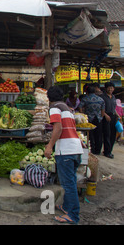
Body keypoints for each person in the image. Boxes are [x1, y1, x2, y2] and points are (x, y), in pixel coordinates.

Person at [45, 86, 84, 224]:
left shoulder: (55, 108)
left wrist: (49, 146)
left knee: (68, 184)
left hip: (66, 150)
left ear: (49, 97)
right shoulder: (67, 109)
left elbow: (58, 128)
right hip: (76, 149)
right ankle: (67, 207)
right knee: (71, 181)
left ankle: (73, 216)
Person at [79, 84, 105, 155]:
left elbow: (80, 107)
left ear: (87, 92)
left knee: (90, 135)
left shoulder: (85, 99)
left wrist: (83, 114)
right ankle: (98, 150)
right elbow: (103, 110)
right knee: (99, 135)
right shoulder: (101, 99)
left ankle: (92, 149)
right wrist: (101, 117)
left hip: (89, 119)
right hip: (98, 119)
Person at [100, 82, 117, 158]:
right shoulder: (102, 97)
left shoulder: (113, 97)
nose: (110, 89)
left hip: (113, 116)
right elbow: (100, 108)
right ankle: (107, 152)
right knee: (107, 134)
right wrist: (105, 115)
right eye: (109, 88)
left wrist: (118, 116)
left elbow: (114, 108)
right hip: (106, 116)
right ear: (106, 88)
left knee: (113, 134)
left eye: (112, 88)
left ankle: (109, 150)